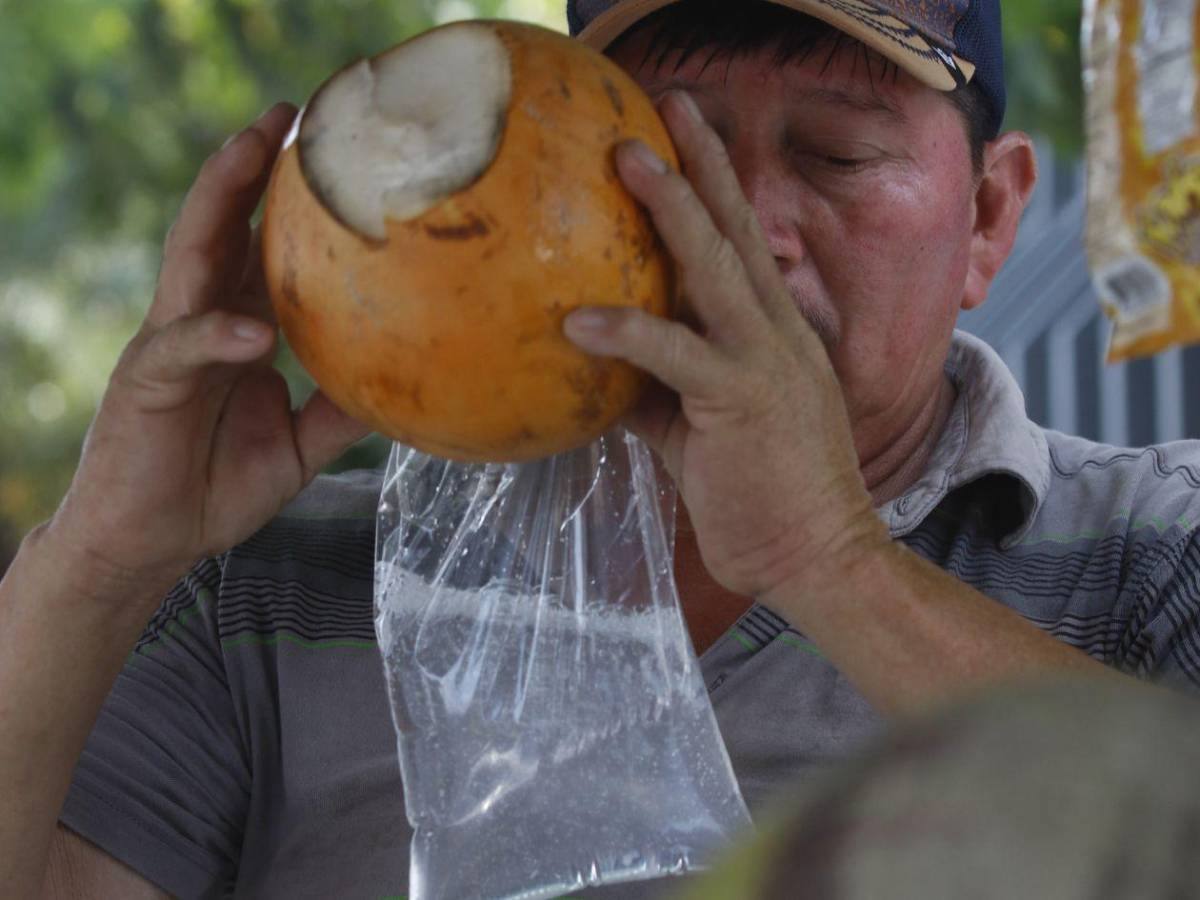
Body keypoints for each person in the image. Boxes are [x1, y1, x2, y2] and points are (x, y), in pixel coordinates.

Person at [2, 0, 1198, 896]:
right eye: (673, 156)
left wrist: (827, 557)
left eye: (836, 155)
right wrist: (96, 568)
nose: (752, 230)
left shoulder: (1158, 538)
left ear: (989, 217)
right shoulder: (258, 583)